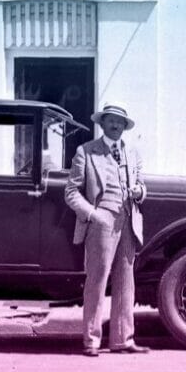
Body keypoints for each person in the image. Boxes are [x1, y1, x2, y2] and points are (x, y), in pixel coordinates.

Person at [65, 101, 150, 357]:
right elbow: (71, 192)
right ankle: (91, 341)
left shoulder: (132, 153)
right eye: (111, 120)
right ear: (102, 123)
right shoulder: (86, 152)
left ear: (125, 126)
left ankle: (123, 340)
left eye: (120, 122)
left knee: (126, 283)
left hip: (129, 221)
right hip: (102, 223)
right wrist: (93, 214)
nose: (116, 125)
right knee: (97, 281)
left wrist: (140, 192)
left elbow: (142, 186)